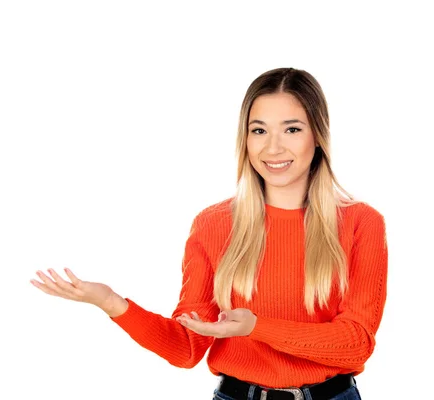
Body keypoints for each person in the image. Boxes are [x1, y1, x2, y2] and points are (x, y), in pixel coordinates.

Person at [30, 67, 388, 400]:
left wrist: (256, 327)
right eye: (259, 130)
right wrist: (111, 303)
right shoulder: (214, 224)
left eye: (292, 129)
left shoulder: (360, 223)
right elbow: (187, 348)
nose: (273, 148)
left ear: (318, 136)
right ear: (245, 138)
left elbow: (356, 343)